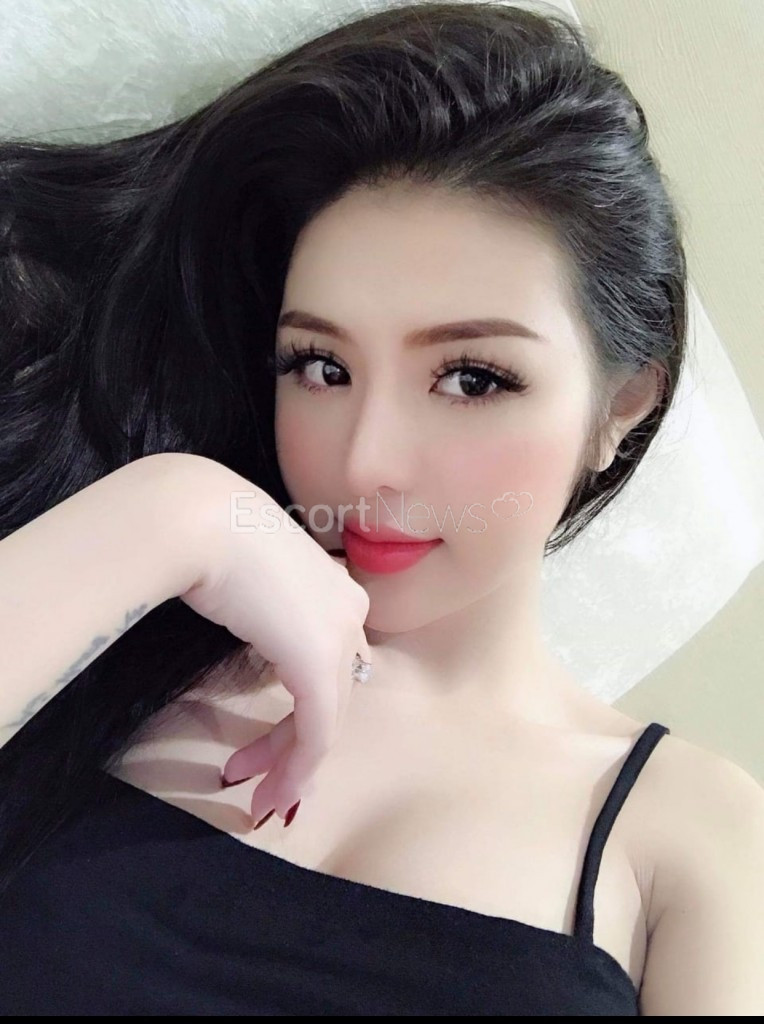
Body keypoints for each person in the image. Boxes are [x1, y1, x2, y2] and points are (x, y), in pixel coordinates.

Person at [0, 1, 762, 1015]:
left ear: (621, 408)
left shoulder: (691, 837)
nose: (365, 460)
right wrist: (171, 515)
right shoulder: (103, 625)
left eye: (472, 379)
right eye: (320, 365)